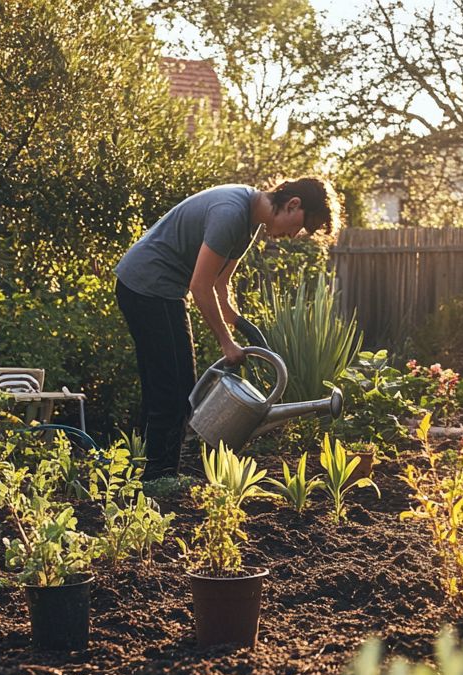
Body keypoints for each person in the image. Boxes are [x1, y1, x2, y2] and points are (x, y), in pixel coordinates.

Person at [114, 177, 340, 479]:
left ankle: (154, 470)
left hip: (151, 287)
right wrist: (226, 342)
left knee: (168, 382)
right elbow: (200, 286)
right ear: (293, 204)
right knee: (176, 385)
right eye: (302, 225)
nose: (295, 234)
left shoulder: (247, 220)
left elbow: (221, 285)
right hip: (150, 286)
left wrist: (240, 325)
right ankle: (160, 476)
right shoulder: (231, 213)